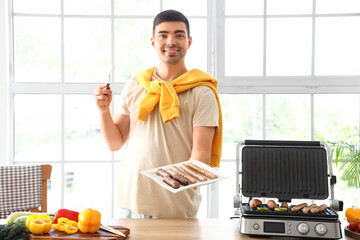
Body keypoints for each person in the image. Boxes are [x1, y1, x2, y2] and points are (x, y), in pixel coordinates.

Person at [93, 9, 222, 218]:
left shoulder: (202, 92)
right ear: (153, 41)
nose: (171, 41)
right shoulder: (136, 84)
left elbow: (200, 156)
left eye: (179, 35)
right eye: (163, 35)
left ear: (189, 41)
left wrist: (168, 182)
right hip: (129, 204)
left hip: (174, 209)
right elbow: (115, 143)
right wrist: (103, 110)